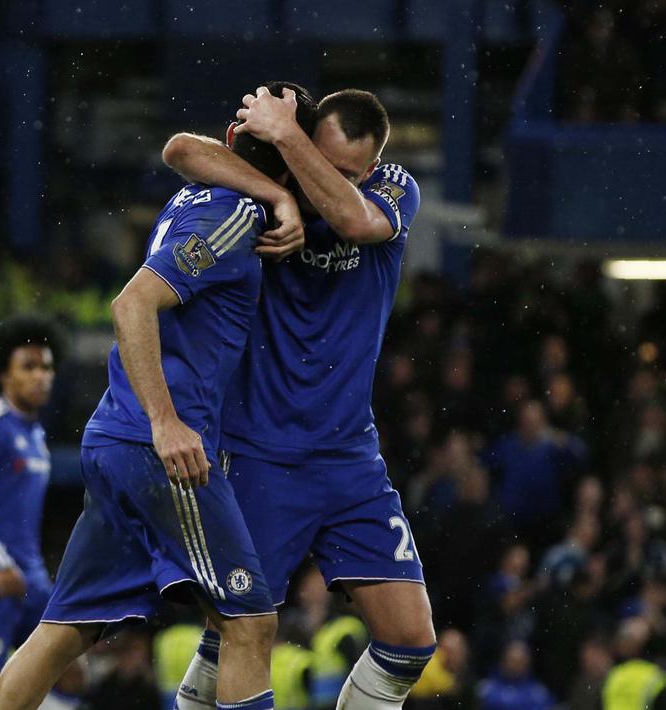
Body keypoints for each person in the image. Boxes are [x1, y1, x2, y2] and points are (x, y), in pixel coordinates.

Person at [0, 82, 319, 710]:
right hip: (161, 450)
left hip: (114, 437)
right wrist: (166, 423)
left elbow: (179, 148)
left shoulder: (200, 191)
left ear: (231, 141)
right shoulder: (237, 215)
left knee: (64, 631)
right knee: (250, 622)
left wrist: (273, 188)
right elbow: (132, 303)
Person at [163, 86, 436, 709]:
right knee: (239, 633)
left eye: (346, 173)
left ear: (370, 170)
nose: (326, 183)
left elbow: (354, 219)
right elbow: (180, 150)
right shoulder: (269, 190)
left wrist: (289, 143)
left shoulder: (391, 192)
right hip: (261, 453)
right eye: (318, 158)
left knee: (410, 641)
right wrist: (279, 189)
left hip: (350, 459)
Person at [0, 316, 83, 710]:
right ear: (3, 374)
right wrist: (0, 563)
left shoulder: (36, 435)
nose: (41, 376)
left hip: (31, 576)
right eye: (29, 367)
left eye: (47, 367)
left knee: (72, 674)